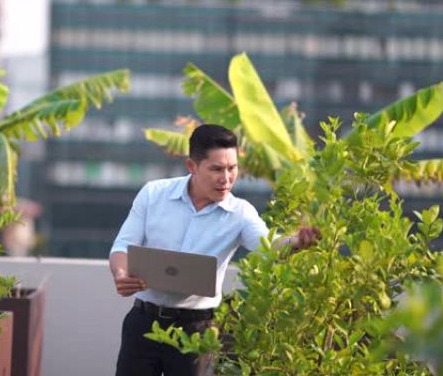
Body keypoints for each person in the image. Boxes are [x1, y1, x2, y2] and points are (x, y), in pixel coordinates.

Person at [109, 124, 320, 376]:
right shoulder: (154, 194)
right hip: (143, 323)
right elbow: (122, 245)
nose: (227, 178)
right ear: (192, 167)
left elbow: (270, 248)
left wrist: (296, 242)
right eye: (217, 169)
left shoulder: (240, 213)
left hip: (197, 331)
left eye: (233, 168)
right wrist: (121, 274)